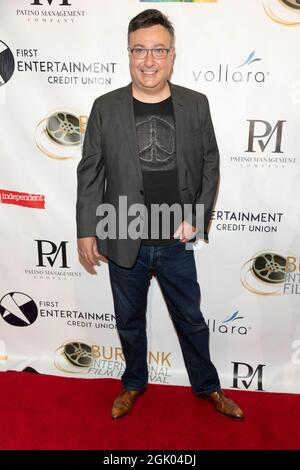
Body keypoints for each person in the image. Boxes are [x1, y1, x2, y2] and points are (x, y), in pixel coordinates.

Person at [76, 9, 244, 420]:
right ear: (129, 53)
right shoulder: (105, 106)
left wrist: (198, 217)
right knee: (129, 322)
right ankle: (133, 384)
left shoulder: (196, 104)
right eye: (139, 50)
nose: (148, 60)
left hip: (176, 240)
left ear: (172, 55)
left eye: (158, 50)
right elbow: (91, 171)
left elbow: (210, 164)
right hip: (122, 235)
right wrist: (85, 230)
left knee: (191, 320)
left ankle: (208, 387)